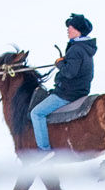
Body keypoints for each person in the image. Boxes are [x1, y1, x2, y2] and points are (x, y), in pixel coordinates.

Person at [30, 14, 95, 151]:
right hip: (80, 91)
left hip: (68, 93)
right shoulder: (84, 47)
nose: (68, 30)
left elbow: (70, 73)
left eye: (70, 27)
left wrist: (60, 64)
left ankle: (44, 150)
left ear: (77, 30)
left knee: (36, 113)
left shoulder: (76, 49)